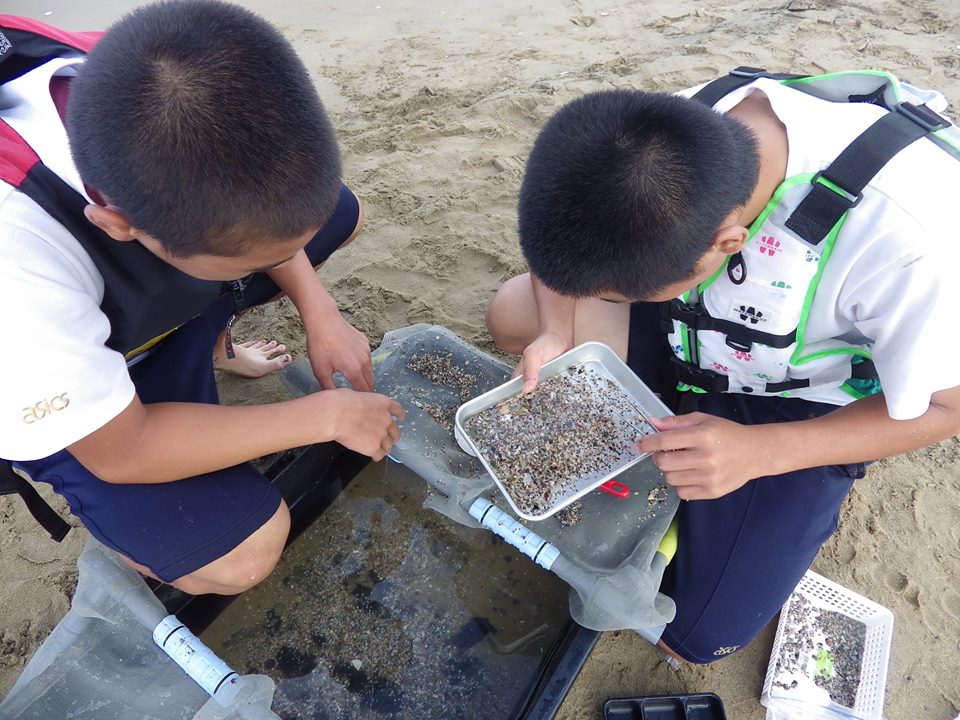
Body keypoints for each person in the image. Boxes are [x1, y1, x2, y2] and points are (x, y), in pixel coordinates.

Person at [486, 75, 960, 663]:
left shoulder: (914, 241)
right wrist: (556, 328)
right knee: (513, 316)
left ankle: (783, 494)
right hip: (698, 331)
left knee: (695, 638)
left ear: (730, 244)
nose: (592, 298)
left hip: (803, 393)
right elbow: (555, 268)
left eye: (613, 294)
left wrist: (760, 453)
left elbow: (946, 409)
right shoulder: (651, 136)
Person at [0, 0, 404, 597]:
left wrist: (322, 312)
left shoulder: (150, 77)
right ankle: (110, 488)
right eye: (252, 262)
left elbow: (258, 213)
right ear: (118, 225)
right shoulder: (19, 263)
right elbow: (125, 451)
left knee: (341, 212)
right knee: (239, 557)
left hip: (110, 297)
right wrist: (324, 416)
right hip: (49, 388)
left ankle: (207, 343)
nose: (275, 266)